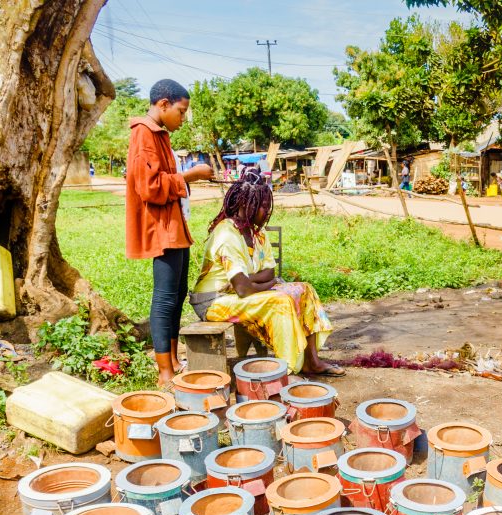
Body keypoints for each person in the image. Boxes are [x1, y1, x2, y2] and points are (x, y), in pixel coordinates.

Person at [190, 168, 344, 377]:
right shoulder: (227, 234)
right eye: (262, 206)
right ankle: (287, 367)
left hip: (235, 292)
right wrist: (265, 285)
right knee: (280, 301)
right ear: (245, 204)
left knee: (304, 290)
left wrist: (249, 281)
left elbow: (268, 273)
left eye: (267, 206)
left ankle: (312, 361)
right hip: (213, 301)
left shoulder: (257, 233)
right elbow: (245, 290)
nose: (267, 212)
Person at [125, 78, 212, 387]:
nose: (183, 118)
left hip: (175, 225)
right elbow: (149, 187)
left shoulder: (161, 135)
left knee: (176, 296)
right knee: (164, 299)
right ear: (163, 104)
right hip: (161, 227)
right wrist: (190, 176)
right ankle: (165, 373)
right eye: (181, 111)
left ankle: (174, 360)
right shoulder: (144, 134)